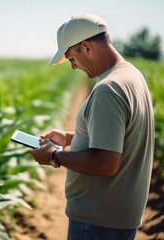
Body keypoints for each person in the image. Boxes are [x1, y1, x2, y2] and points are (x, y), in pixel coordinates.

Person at [30, 13, 154, 240]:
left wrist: (54, 156)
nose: (73, 67)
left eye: (71, 59)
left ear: (86, 47)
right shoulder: (131, 75)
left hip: (98, 222)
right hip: (115, 216)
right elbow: (120, 135)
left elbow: (106, 163)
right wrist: (70, 138)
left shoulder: (108, 89)